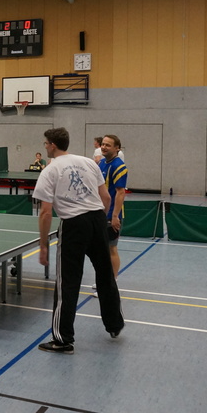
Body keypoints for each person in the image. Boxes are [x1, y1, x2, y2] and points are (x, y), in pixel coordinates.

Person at [33, 128, 124, 354]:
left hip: (73, 225)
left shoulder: (50, 170)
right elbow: (106, 197)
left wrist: (43, 245)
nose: (45, 147)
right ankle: (115, 325)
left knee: (68, 282)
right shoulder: (89, 162)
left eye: (46, 143)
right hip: (97, 220)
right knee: (105, 275)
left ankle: (63, 340)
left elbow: (45, 213)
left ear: (53, 145)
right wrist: (98, 219)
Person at [99, 134, 128, 279]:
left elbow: (120, 192)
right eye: (103, 144)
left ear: (117, 148)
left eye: (108, 145)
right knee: (101, 249)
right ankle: (104, 280)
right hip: (100, 213)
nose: (104, 147)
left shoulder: (119, 166)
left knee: (111, 249)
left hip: (111, 215)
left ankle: (112, 282)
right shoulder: (101, 163)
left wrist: (115, 216)